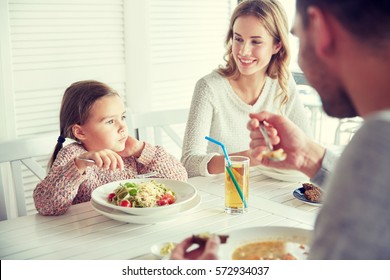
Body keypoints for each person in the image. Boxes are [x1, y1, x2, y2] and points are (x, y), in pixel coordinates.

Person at [172, 0, 390, 259]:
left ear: (319, 30)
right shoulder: (375, 143)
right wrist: (308, 157)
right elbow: (365, 198)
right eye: (237, 38)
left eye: (296, 34)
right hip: (220, 207)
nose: (243, 50)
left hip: (266, 206)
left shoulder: (375, 142)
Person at [181, 0, 312, 177]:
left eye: (256, 42)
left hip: (270, 192)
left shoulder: (283, 83)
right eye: (238, 39)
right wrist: (250, 158)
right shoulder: (209, 88)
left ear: (277, 45)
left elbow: (307, 148)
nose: (243, 51)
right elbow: (188, 163)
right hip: (222, 195)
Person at [33, 80, 188, 216]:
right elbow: (47, 206)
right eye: (110, 122)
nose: (122, 127)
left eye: (123, 117)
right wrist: (78, 166)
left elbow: (180, 179)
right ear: (80, 131)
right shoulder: (74, 156)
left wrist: (143, 150)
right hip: (93, 235)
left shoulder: (131, 153)